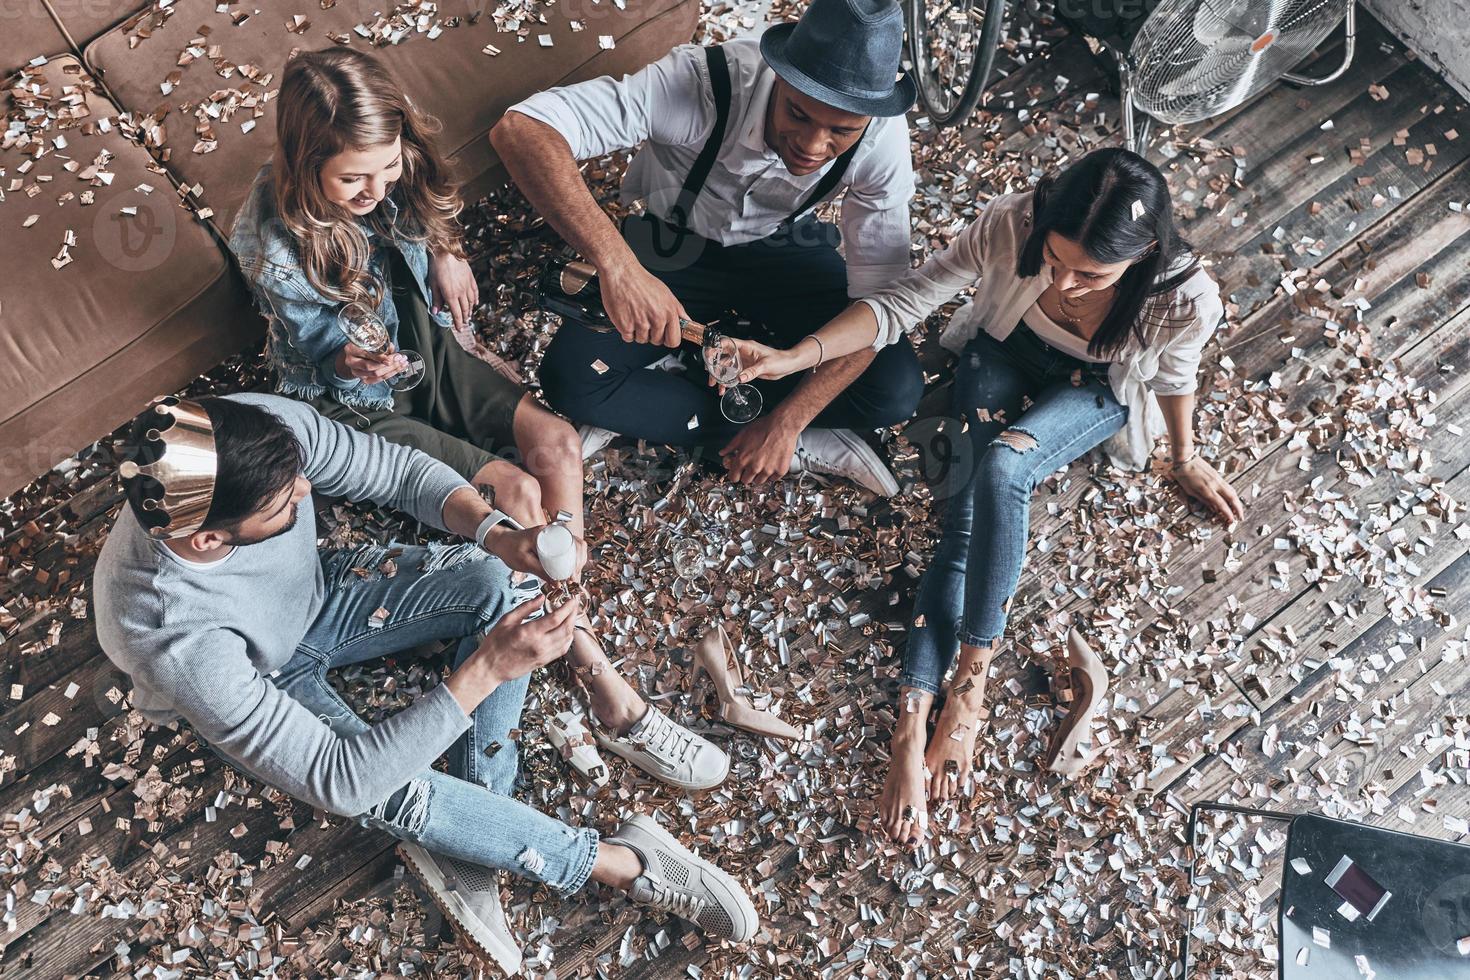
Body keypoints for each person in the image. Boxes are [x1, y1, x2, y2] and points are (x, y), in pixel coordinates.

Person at [93, 394, 753, 972]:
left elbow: (395, 470)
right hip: (264, 670)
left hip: (320, 595)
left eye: (297, 479)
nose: (305, 492)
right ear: (210, 541)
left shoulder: (243, 430)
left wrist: (496, 534)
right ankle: (622, 862)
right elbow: (340, 779)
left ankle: (472, 833)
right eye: (282, 504)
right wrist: (488, 668)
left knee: (496, 582)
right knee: (384, 788)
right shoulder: (176, 639)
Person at [730, 149, 1246, 845]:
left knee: (1005, 467)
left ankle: (967, 690)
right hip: (1002, 351)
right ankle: (912, 724)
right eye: (1054, 259)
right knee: (962, 520)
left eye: (1089, 274)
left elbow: (1175, 374)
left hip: (1094, 388)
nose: (1064, 281)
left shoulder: (1185, 296)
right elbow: (905, 300)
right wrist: (797, 359)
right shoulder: (1010, 223)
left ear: (1146, 252)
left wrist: (1183, 457)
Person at [490, 0, 925, 497]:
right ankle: (732, 411)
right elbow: (521, 129)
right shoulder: (700, 84)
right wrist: (620, 268)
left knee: (894, 389)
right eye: (798, 115)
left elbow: (882, 304)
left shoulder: (881, 140)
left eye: (840, 133)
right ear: (778, 76)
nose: (811, 144)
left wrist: (789, 421)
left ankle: (692, 409)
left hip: (785, 246)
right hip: (670, 244)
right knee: (572, 381)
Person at [229, 47, 586, 551]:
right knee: (518, 488)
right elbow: (326, 358)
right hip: (352, 397)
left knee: (561, 444)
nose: (375, 190)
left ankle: (571, 592)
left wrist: (445, 248)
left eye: (388, 166)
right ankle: (574, 615)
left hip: (418, 333)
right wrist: (349, 363)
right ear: (305, 166)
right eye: (351, 179)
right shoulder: (273, 248)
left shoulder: (390, 142)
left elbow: (426, 200)